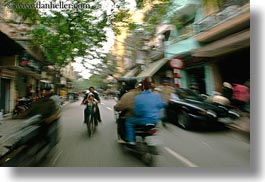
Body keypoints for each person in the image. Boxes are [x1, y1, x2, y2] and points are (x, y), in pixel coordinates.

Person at [125, 77, 167, 146]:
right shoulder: (157, 95)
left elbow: (137, 112)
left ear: (143, 86)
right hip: (155, 120)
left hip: (144, 120)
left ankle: (131, 141)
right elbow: (162, 105)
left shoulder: (138, 97)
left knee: (128, 122)